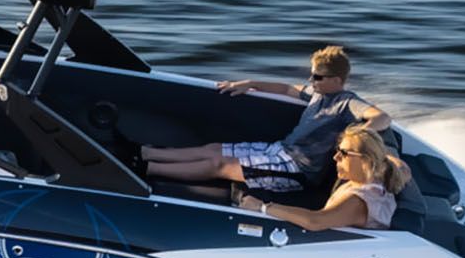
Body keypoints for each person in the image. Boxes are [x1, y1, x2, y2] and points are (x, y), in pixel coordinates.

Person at [140, 44, 389, 192]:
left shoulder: (346, 101)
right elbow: (286, 89)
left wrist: (357, 136)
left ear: (337, 80)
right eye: (312, 75)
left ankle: (144, 171)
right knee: (214, 149)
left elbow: (382, 117)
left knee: (219, 166)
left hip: (297, 170)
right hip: (278, 150)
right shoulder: (316, 92)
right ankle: (145, 153)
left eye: (318, 77)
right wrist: (248, 84)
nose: (311, 81)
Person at [238, 128, 410, 231]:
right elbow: (403, 168)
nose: (335, 157)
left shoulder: (358, 201)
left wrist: (262, 207)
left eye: (343, 154)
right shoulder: (381, 172)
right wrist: (383, 156)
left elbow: (316, 221)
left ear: (366, 160)